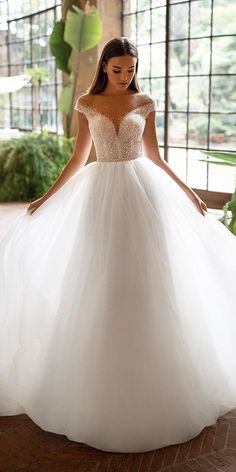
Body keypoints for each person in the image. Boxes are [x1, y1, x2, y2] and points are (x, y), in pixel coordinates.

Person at [0, 36, 236, 454]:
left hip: (145, 194)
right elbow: (78, 160)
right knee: (100, 278)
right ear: (104, 67)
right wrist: (43, 198)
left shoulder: (144, 102)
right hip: (100, 195)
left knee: (150, 280)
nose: (125, 77)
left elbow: (157, 158)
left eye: (130, 70)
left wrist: (188, 193)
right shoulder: (87, 103)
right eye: (117, 70)